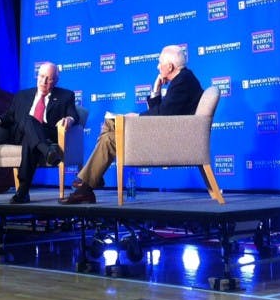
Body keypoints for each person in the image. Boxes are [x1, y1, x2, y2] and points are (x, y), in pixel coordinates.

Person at [62, 44, 203, 204]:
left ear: (169, 66)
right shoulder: (183, 79)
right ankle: (89, 183)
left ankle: (89, 181)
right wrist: (156, 89)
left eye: (159, 63)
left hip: (170, 141)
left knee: (110, 135)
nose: (158, 66)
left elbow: (162, 116)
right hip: (166, 132)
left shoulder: (182, 82)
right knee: (110, 128)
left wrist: (136, 116)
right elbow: (162, 112)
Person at [0, 62, 78, 204]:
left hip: (44, 132)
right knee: (29, 120)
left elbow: (74, 116)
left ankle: (22, 191)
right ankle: (48, 150)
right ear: (37, 75)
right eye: (41, 76)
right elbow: (8, 116)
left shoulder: (66, 96)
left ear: (56, 80)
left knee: (30, 139)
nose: (44, 81)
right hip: (19, 133)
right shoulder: (22, 95)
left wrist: (69, 119)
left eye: (49, 78)